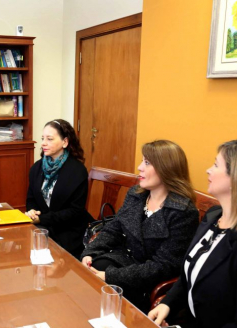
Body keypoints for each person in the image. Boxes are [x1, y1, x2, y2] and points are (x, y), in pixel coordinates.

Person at [148, 139, 237, 328]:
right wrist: (167, 303)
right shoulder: (213, 216)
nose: (208, 170)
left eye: (215, 164)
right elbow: (189, 272)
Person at [80, 140, 199, 313]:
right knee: (91, 269)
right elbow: (115, 228)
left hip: (151, 280)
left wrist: (110, 276)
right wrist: (90, 252)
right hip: (125, 261)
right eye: (142, 161)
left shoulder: (183, 211)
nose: (139, 167)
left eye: (147, 163)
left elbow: (163, 266)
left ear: (167, 168)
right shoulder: (136, 195)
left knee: (104, 285)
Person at [25, 119, 93, 259]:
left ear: (65, 142)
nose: (43, 143)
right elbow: (31, 199)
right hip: (43, 227)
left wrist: (41, 219)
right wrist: (32, 212)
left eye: (49, 139)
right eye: (43, 138)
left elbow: (75, 212)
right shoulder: (36, 168)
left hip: (68, 230)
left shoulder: (77, 171)